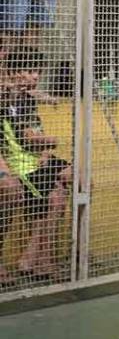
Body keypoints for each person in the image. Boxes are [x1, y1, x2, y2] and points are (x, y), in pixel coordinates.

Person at [0, 47, 71, 280]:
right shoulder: (8, 98)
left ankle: (39, 256)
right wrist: (53, 140)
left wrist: (45, 150)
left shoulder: (27, 97)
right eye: (29, 70)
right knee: (52, 195)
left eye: (37, 71)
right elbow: (27, 138)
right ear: (11, 71)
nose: (35, 76)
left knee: (75, 180)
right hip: (21, 165)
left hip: (36, 158)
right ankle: (36, 259)